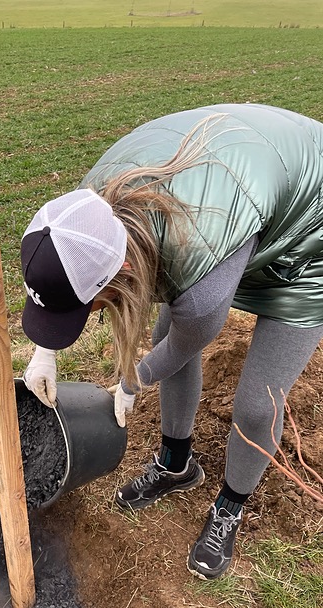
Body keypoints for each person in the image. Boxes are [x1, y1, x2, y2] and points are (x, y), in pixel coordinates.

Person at [19, 103, 323, 579]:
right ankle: (177, 465)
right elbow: (61, 276)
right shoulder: (79, 215)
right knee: (171, 326)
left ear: (120, 272)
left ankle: (230, 505)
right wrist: (44, 352)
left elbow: (185, 342)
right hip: (245, 196)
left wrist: (131, 382)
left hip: (310, 224)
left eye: (87, 306)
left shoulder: (199, 276)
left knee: (257, 404)